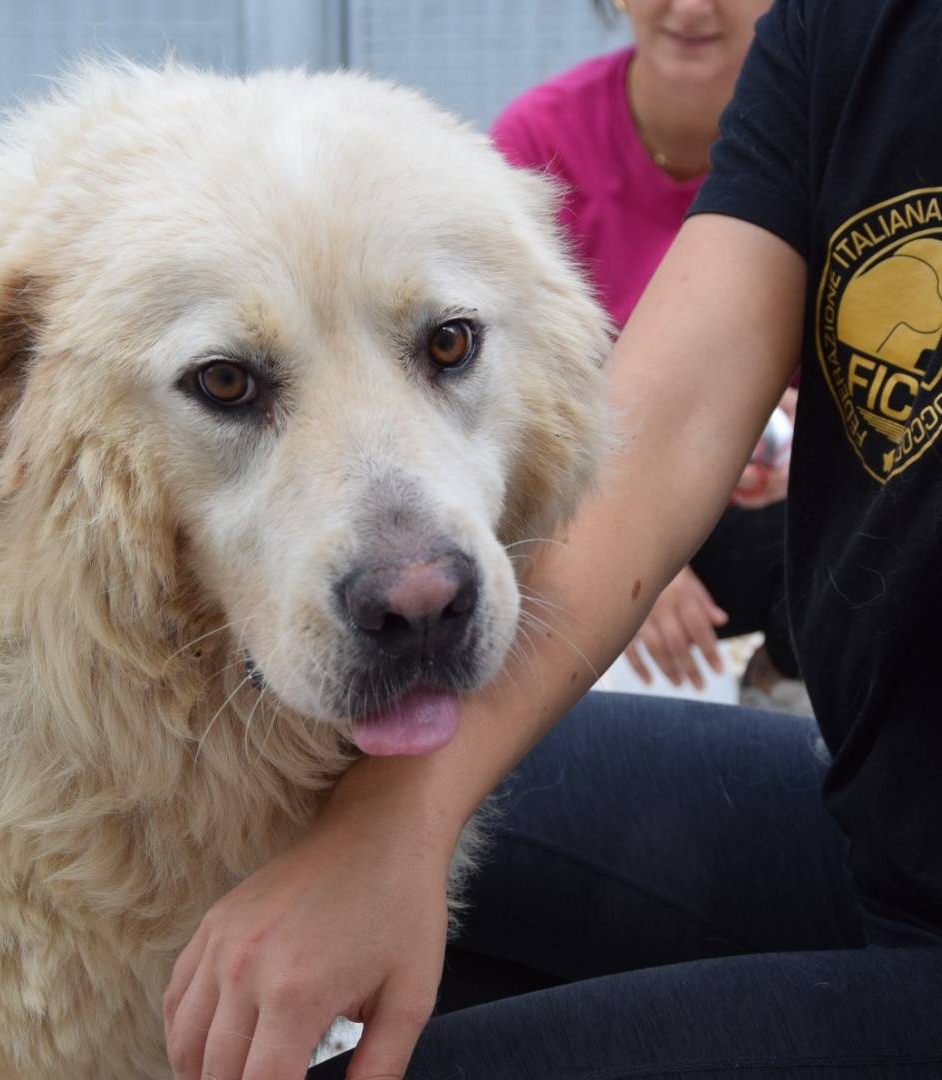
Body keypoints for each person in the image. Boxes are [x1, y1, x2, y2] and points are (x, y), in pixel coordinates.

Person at [162, 1, 942, 1077]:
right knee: (302, 811)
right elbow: (659, 427)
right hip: (881, 826)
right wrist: (398, 825)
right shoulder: (844, 28)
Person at [490, 0, 806, 707]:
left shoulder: (833, 143)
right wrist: (626, 554)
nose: (691, 7)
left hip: (782, 521)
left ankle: (785, 686)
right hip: (592, 498)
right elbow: (503, 409)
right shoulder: (539, 141)